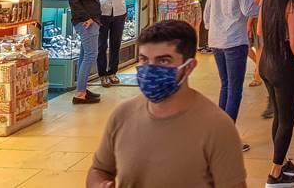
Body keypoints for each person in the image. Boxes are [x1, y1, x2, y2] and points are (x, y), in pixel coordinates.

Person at [87, 20, 247, 188]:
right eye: (144, 59)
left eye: (163, 61)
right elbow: (99, 170)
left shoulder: (217, 127)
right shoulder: (122, 115)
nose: (150, 69)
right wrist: (100, 184)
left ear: (189, 67)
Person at [204, 0, 262, 152]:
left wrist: (212, 28)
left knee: (226, 86)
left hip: (217, 40)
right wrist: (265, 5)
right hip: (234, 40)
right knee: (234, 90)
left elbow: (208, 7)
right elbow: (249, 10)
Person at [257, 0, 294, 187]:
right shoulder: (293, 5)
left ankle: (283, 161)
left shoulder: (266, 2)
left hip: (266, 62)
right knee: (287, 120)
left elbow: (259, 32)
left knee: (278, 115)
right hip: (284, 64)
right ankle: (275, 173)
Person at [70, 0, 104, 105]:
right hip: (86, 23)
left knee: (85, 55)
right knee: (90, 55)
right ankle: (80, 93)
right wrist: (87, 18)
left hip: (92, 21)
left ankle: (82, 88)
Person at [96, 0, 132, 87]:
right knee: (101, 45)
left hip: (118, 13)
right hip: (103, 13)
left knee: (115, 44)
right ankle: (102, 74)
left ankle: (112, 72)